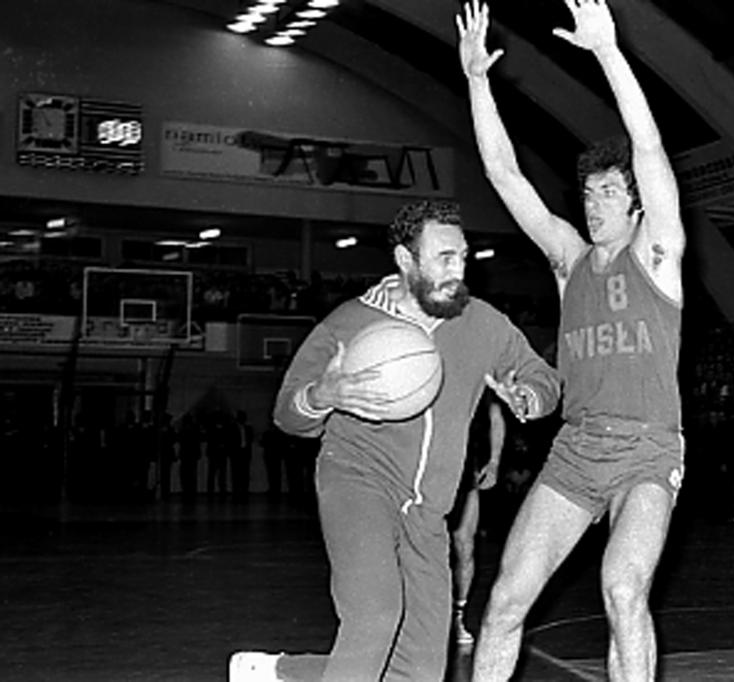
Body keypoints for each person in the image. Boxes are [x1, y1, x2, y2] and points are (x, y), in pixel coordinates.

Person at [229, 199, 560, 682]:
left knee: (420, 672)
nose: (459, 269)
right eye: (444, 257)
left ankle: (279, 673)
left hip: (428, 514)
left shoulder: (483, 323)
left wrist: (528, 397)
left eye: (463, 256)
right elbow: (287, 415)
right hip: (357, 484)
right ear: (406, 261)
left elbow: (543, 378)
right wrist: (323, 395)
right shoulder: (349, 323)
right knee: (375, 617)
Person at [458, 1, 686, 679]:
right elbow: (505, 176)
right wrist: (476, 80)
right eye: (588, 192)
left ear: (635, 203)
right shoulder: (568, 257)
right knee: (502, 603)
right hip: (576, 449)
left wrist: (608, 52)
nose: (595, 202)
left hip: (647, 447)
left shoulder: (658, 254)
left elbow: (647, 150)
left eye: (610, 191)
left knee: (622, 590)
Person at [450, 397, 506, 648]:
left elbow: (496, 417)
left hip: (465, 468)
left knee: (465, 545)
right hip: (428, 467)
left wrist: (493, 462)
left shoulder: (478, 366)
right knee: (425, 546)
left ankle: (457, 616)